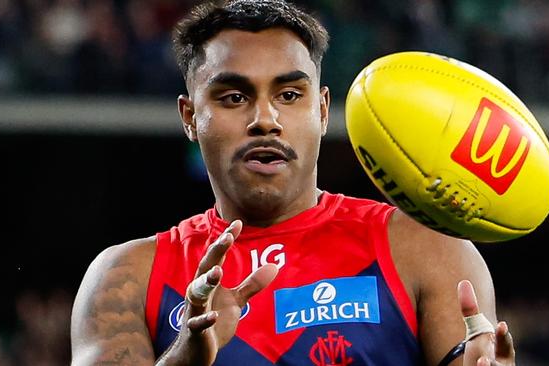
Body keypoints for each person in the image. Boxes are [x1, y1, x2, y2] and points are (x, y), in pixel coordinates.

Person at [70, 1, 516, 365]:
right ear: (190, 117)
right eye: (234, 97)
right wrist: (184, 360)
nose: (265, 120)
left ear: (322, 111)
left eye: (288, 95)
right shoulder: (126, 276)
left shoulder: (425, 249)